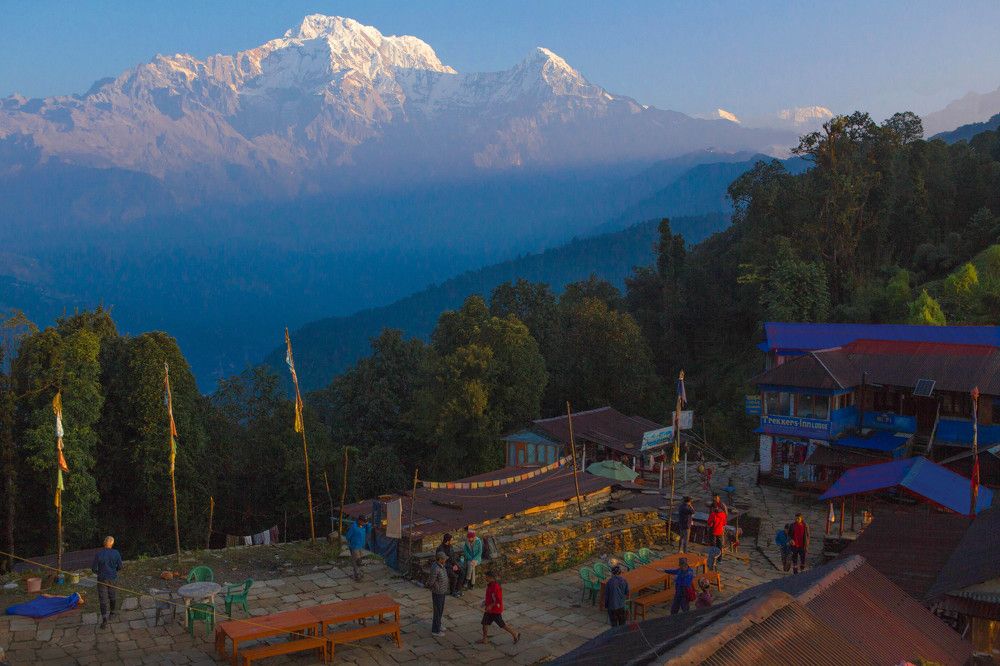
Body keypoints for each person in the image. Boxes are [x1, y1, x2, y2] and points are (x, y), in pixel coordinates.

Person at [479, 570, 520, 644]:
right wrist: (485, 602)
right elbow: (491, 597)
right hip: (490, 609)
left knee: (502, 625)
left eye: (486, 577)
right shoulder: (490, 585)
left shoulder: (496, 587)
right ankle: (485, 639)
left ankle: (515, 633)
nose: (485, 578)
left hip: (495, 610)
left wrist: (490, 605)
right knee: (484, 623)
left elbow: (498, 599)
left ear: (491, 578)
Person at [91, 535, 123, 629]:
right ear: (112, 543)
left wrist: (99, 573)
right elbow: (120, 567)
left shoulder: (99, 554)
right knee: (112, 596)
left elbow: (93, 569)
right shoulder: (116, 553)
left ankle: (104, 619)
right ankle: (112, 613)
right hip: (112, 578)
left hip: (102, 579)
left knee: (103, 599)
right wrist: (114, 570)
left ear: (104, 543)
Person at [427, 551, 450, 636]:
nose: (445, 560)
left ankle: (438, 625)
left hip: (442, 591)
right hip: (438, 592)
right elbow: (431, 580)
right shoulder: (435, 568)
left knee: (440, 610)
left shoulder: (441, 566)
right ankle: (435, 630)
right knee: (437, 611)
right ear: (440, 559)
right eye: (444, 559)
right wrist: (434, 587)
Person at [345, 515, 372, 582]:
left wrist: (367, 523)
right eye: (363, 521)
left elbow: (369, 530)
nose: (364, 523)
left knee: (359, 560)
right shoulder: (353, 527)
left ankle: (358, 573)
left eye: (365, 522)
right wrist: (351, 543)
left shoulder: (364, 526)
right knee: (357, 560)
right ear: (359, 520)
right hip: (354, 546)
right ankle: (357, 575)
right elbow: (348, 536)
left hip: (361, 546)